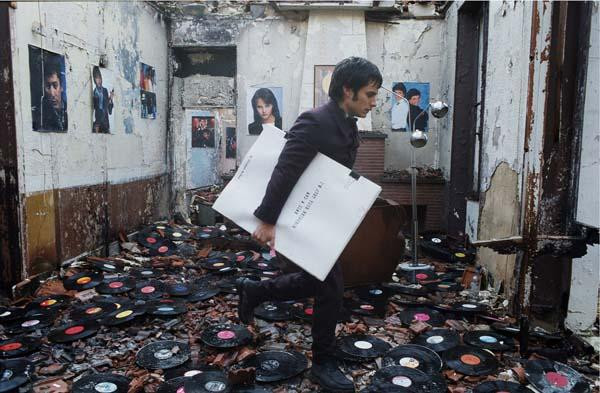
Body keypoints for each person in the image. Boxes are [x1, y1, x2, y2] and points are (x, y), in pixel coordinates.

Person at [236, 57, 382, 393]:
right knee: (331, 285)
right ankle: (323, 363)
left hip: (320, 217)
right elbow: (285, 169)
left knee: (316, 281)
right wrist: (268, 221)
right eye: (370, 94)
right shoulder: (315, 121)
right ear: (348, 90)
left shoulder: (347, 123)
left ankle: (254, 290)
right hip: (292, 217)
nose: (373, 102)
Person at [40, 63, 68, 131]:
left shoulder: (69, 108)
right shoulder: (41, 115)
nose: (52, 93)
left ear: (61, 87)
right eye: (48, 87)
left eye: (55, 86)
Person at [92, 66, 114, 133]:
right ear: (94, 80)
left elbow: (109, 110)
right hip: (97, 124)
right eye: (96, 78)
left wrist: (111, 99)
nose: (98, 80)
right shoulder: (94, 93)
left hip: (106, 123)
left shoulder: (105, 90)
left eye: (99, 78)